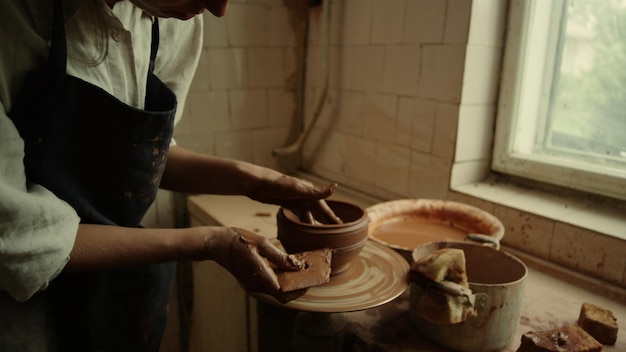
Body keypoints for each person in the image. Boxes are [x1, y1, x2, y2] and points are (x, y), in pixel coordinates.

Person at [0, 0, 336, 350]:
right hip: (16, 292)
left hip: (113, 268)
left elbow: (140, 159)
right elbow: (15, 237)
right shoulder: (15, 16)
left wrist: (250, 180)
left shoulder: (177, 21)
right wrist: (207, 242)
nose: (218, 9)